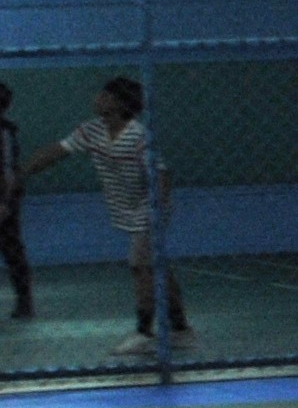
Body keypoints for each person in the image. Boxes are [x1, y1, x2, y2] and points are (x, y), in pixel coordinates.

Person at [20, 76, 182, 350]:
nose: (97, 99)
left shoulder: (137, 136)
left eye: (104, 95)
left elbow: (162, 175)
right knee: (156, 269)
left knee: (139, 265)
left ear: (118, 102)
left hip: (149, 207)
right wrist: (21, 173)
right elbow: (55, 152)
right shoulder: (92, 130)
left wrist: (155, 210)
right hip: (125, 207)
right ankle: (181, 329)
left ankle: (144, 332)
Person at [1, 80, 33, 320]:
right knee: (13, 250)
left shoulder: (4, 132)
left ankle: (24, 302)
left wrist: (5, 202)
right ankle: (24, 302)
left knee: (12, 250)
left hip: (4, 198)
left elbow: (8, 170)